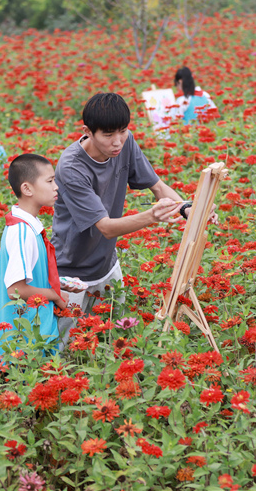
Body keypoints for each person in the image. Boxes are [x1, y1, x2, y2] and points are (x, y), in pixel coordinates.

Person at [52, 92, 203, 347]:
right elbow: (105, 228)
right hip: (72, 272)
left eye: (122, 131)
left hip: (107, 265)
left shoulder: (125, 142)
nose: (117, 142)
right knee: (66, 351)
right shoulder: (71, 167)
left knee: (116, 339)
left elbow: (157, 186)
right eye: (108, 135)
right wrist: (152, 216)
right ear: (88, 131)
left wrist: (189, 209)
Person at [0, 154, 68, 355]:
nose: (56, 186)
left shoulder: (26, 226)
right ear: (27, 188)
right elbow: (16, 290)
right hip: (23, 346)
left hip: (32, 338)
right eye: (50, 181)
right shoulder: (22, 232)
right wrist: (55, 296)